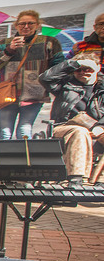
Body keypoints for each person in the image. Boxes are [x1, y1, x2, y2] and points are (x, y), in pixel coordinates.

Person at [0, 9, 63, 140]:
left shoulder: (49, 42)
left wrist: (47, 83)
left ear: (37, 25)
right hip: (7, 94)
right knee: (5, 132)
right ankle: (2, 160)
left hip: (34, 94)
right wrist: (9, 50)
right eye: (22, 24)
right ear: (16, 25)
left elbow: (59, 67)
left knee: (24, 130)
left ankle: (23, 160)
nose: (26, 27)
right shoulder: (4, 43)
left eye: (30, 23)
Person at [39, 55, 104, 185]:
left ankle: (100, 181)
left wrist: (100, 126)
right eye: (78, 69)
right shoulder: (66, 84)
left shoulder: (101, 89)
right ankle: (76, 178)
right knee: (80, 132)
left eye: (88, 69)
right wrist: (74, 63)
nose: (82, 72)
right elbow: (44, 78)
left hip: (96, 129)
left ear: (97, 68)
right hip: (64, 127)